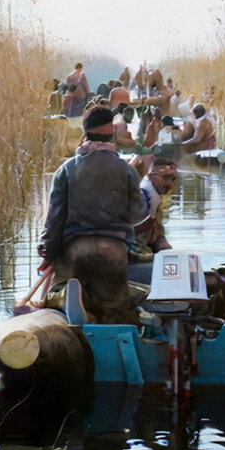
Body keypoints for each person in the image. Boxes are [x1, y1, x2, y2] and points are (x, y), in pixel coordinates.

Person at [39, 105, 145, 324]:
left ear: (85, 134)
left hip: (76, 249)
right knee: (115, 313)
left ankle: (70, 304)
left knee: (59, 299)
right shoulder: (127, 171)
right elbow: (137, 214)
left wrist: (47, 253)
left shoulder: (67, 170)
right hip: (113, 250)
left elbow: (54, 219)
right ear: (111, 135)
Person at [128, 157, 179, 281]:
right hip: (130, 260)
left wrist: (168, 253)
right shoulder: (139, 199)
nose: (169, 184)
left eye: (172, 179)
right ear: (151, 176)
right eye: (165, 178)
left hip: (145, 255)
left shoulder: (156, 200)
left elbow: (158, 237)